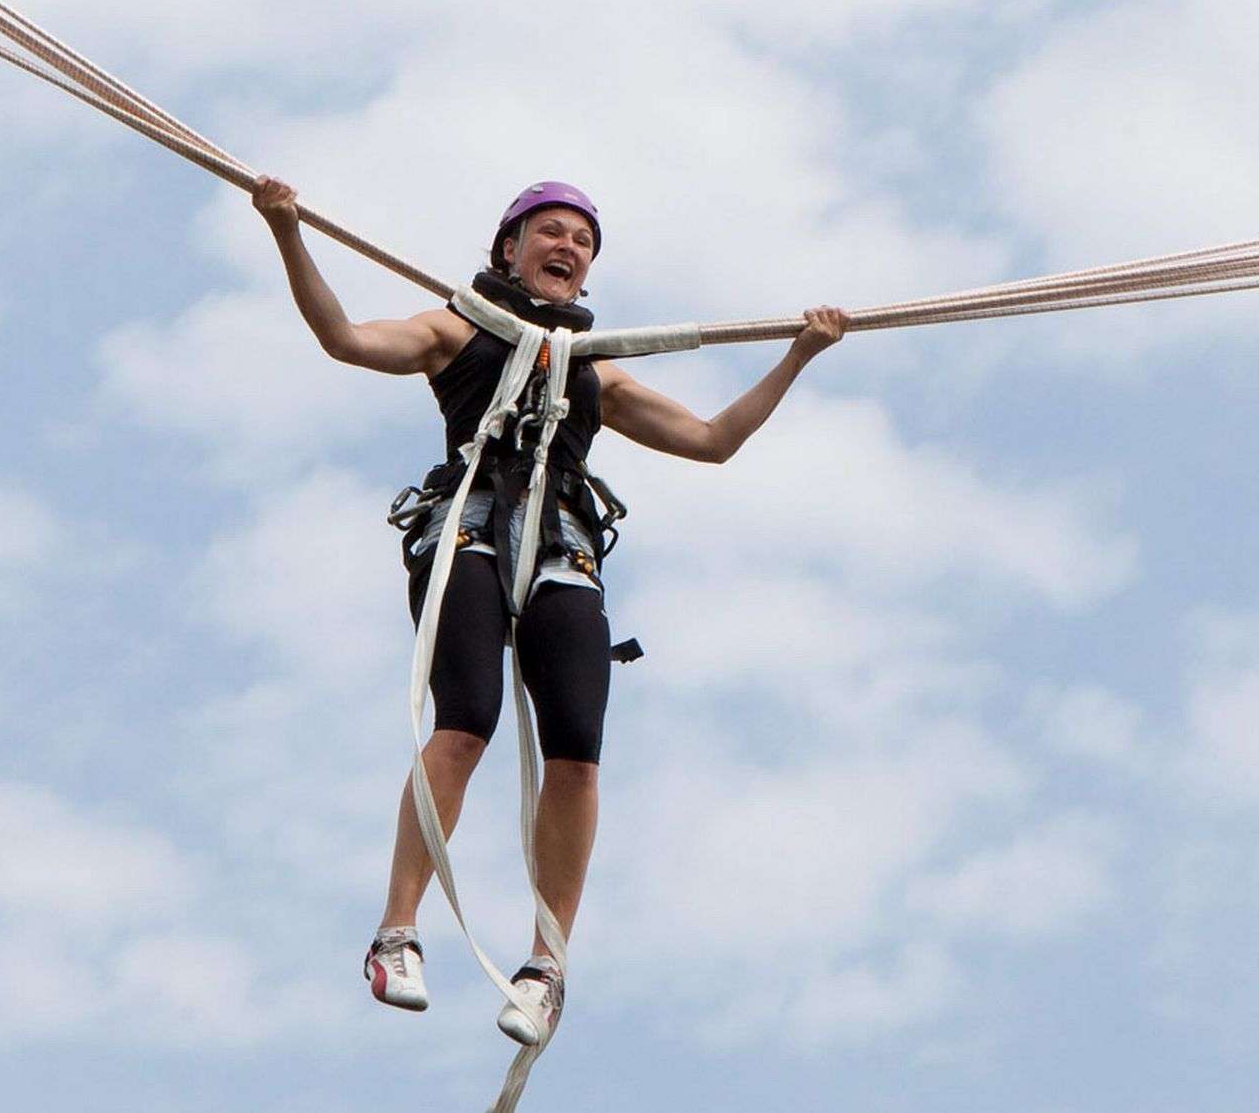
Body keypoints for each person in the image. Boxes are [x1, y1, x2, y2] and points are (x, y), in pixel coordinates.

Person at [253, 176, 845, 1046]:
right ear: (510, 248)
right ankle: (396, 931)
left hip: (565, 550)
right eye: (551, 232)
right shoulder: (455, 329)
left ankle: (546, 966)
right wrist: (287, 231)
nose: (568, 247)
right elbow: (344, 338)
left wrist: (799, 355)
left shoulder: (595, 370)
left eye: (583, 241)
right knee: (466, 723)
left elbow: (712, 440)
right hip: (471, 531)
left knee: (577, 751)